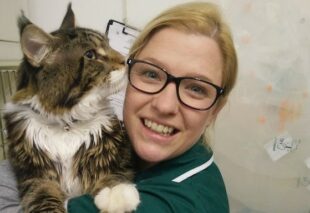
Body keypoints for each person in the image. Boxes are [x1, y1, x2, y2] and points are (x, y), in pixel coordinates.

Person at [0, 2, 237, 213]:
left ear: (215, 110)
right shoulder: (126, 137)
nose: (165, 106)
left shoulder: (183, 202)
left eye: (196, 88)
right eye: (151, 73)